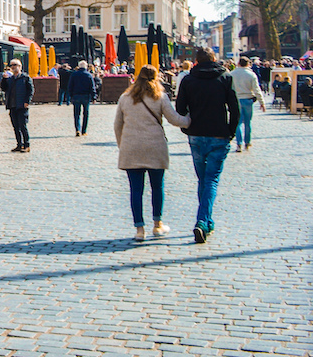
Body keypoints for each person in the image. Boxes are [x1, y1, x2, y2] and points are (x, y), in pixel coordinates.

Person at [113, 65, 190, 241]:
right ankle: (157, 225)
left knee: (136, 190)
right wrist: (190, 120)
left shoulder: (125, 98)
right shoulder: (160, 97)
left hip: (131, 148)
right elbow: (174, 119)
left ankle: (139, 229)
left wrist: (122, 144)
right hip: (155, 146)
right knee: (157, 187)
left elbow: (118, 124)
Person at [175, 48, 239, 243]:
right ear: (213, 59)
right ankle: (203, 221)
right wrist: (231, 131)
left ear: (196, 60)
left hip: (196, 134)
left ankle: (207, 220)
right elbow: (234, 108)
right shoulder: (225, 77)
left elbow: (179, 108)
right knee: (210, 180)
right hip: (218, 133)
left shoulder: (188, 79)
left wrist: (187, 126)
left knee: (203, 179)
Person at [230, 58, 265, 152]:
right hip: (248, 99)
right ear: (248, 64)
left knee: (238, 123)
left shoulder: (232, 74)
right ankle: (247, 142)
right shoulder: (251, 74)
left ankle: (239, 144)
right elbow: (257, 89)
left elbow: (228, 89)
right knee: (248, 122)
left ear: (238, 63)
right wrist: (262, 102)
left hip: (236, 100)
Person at [4, 60, 33, 152]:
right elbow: (4, 88)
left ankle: (27, 145)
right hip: (12, 105)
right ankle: (19, 145)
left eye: (15, 65)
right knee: (15, 126)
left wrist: (27, 101)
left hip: (22, 105)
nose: (13, 67)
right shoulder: (10, 79)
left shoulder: (25, 78)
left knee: (22, 126)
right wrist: (4, 79)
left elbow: (30, 90)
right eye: (11, 65)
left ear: (20, 66)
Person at [68, 62, 98, 137]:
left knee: (76, 114)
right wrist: (94, 97)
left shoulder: (74, 74)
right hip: (86, 96)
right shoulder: (88, 75)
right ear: (86, 67)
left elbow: (70, 86)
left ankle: (77, 129)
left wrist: (71, 96)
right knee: (86, 114)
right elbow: (92, 87)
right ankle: (84, 131)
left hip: (76, 96)